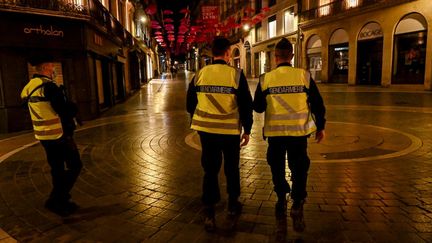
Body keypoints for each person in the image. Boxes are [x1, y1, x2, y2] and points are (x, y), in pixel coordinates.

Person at [253, 38, 326, 232]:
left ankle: (280, 198)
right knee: (300, 168)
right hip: (298, 134)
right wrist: (321, 127)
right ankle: (297, 202)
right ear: (292, 56)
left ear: (275, 57)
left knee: (277, 167)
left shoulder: (265, 79)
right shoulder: (304, 77)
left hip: (275, 135)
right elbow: (318, 104)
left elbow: (258, 108)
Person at [186, 37, 253, 232]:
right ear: (227, 54)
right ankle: (233, 204)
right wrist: (247, 129)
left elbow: (190, 104)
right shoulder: (236, 75)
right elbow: (246, 105)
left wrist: (197, 120)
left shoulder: (199, 75)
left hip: (206, 131)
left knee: (210, 169)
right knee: (232, 168)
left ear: (212, 53)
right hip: (230, 131)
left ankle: (209, 209)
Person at [21, 55, 82, 217]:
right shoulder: (49, 87)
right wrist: (73, 107)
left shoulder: (30, 86)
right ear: (47, 67)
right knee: (75, 165)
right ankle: (57, 198)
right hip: (59, 135)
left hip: (43, 135)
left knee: (57, 168)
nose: (54, 69)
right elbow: (64, 110)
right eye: (52, 66)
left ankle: (59, 200)